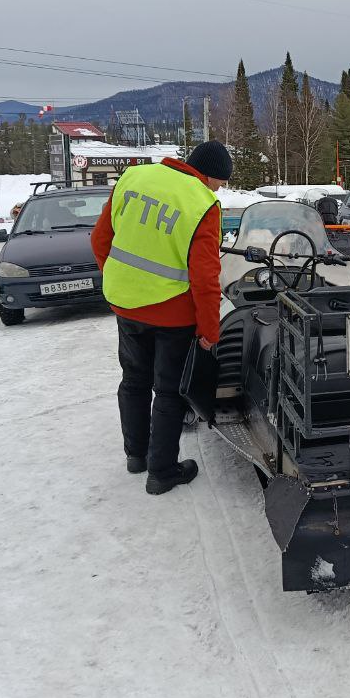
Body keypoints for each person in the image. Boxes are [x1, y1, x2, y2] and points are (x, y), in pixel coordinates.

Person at [91, 141, 231, 495]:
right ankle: (162, 472)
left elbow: (99, 239)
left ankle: (136, 456)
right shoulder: (202, 203)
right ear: (209, 174)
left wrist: (118, 279)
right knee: (169, 391)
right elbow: (205, 278)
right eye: (221, 182)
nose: (220, 189)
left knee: (133, 381)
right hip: (173, 315)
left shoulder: (133, 178)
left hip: (126, 304)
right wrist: (209, 331)